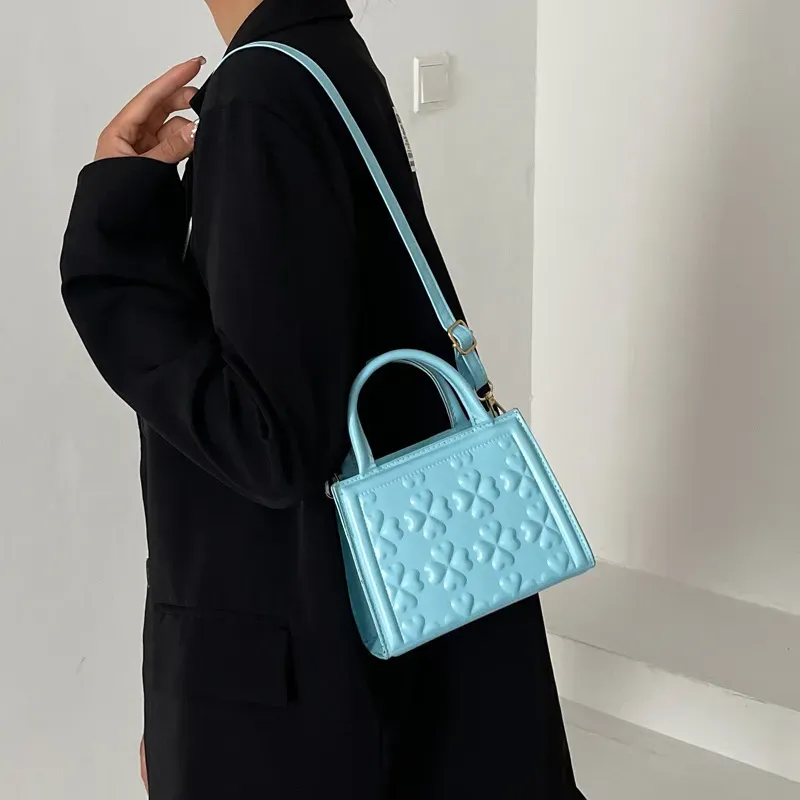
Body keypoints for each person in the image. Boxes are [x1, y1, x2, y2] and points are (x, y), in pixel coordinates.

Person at [60, 1, 585, 797]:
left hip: (300, 675)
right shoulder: (321, 51)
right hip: (386, 639)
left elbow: (267, 443)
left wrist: (115, 231)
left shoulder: (260, 91)